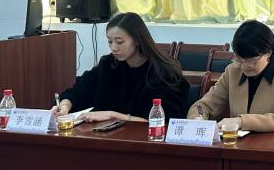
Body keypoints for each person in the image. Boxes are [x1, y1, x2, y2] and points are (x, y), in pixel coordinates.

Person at [53, 12, 189, 122]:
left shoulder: (163, 72)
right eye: (110, 41)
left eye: (119, 42)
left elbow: (163, 120)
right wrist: (64, 106)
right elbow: (78, 90)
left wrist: (113, 115)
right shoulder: (108, 64)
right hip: (105, 137)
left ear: (137, 40)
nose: (114, 48)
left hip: (146, 141)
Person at [187, 20, 274, 132]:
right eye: (238, 60)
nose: (243, 66)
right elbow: (202, 106)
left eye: (250, 61)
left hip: (273, 143)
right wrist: (198, 119)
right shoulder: (232, 72)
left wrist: (241, 122)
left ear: (269, 52)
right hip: (235, 142)